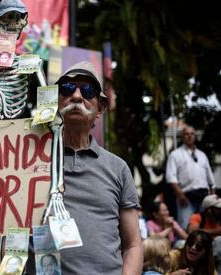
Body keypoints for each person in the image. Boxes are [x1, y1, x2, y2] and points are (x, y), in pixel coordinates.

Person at [56, 61, 143, 274]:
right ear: (56, 100)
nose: (76, 96)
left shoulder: (118, 168)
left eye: (87, 91)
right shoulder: (33, 160)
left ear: (100, 108)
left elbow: (133, 245)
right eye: (67, 89)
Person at [166, 126, 216, 229]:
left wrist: (213, 198)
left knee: (206, 226)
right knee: (186, 227)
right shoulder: (175, 154)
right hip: (186, 197)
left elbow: (211, 179)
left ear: (195, 136)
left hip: (204, 197)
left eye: (192, 134)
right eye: (186, 134)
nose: (189, 136)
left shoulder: (202, 155)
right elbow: (170, 177)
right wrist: (180, 195)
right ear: (182, 137)